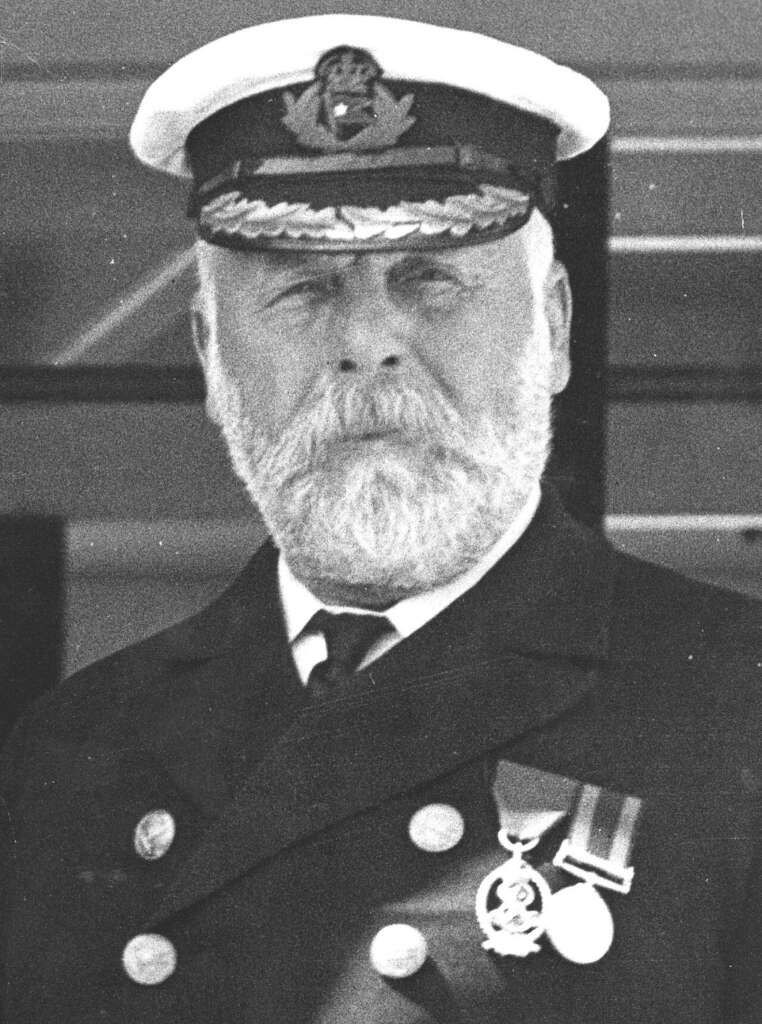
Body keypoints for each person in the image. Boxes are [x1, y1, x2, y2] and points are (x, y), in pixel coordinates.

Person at [1, 14, 760, 1024]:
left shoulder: (734, 705)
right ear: (208, 362)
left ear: (557, 329)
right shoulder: (72, 752)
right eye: (304, 289)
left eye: (430, 280)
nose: (367, 343)